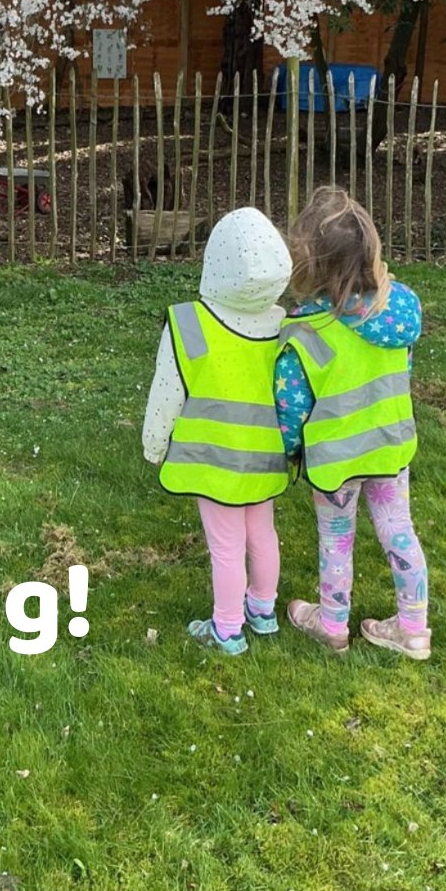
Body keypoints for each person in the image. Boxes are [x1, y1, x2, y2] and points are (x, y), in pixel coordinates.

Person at [277, 187, 430, 659]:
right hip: (388, 445)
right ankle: (413, 629)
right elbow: (401, 369)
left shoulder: (305, 333)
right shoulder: (401, 311)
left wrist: (289, 450)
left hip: (336, 457)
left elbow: (291, 406)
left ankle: (332, 623)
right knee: (397, 527)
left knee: (336, 537)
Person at [142, 208, 293, 655]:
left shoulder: (189, 323)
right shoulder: (284, 327)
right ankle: (263, 611)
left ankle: (227, 629)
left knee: (226, 546)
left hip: (212, 461)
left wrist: (156, 444)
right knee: (261, 532)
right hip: (266, 455)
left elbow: (166, 391)